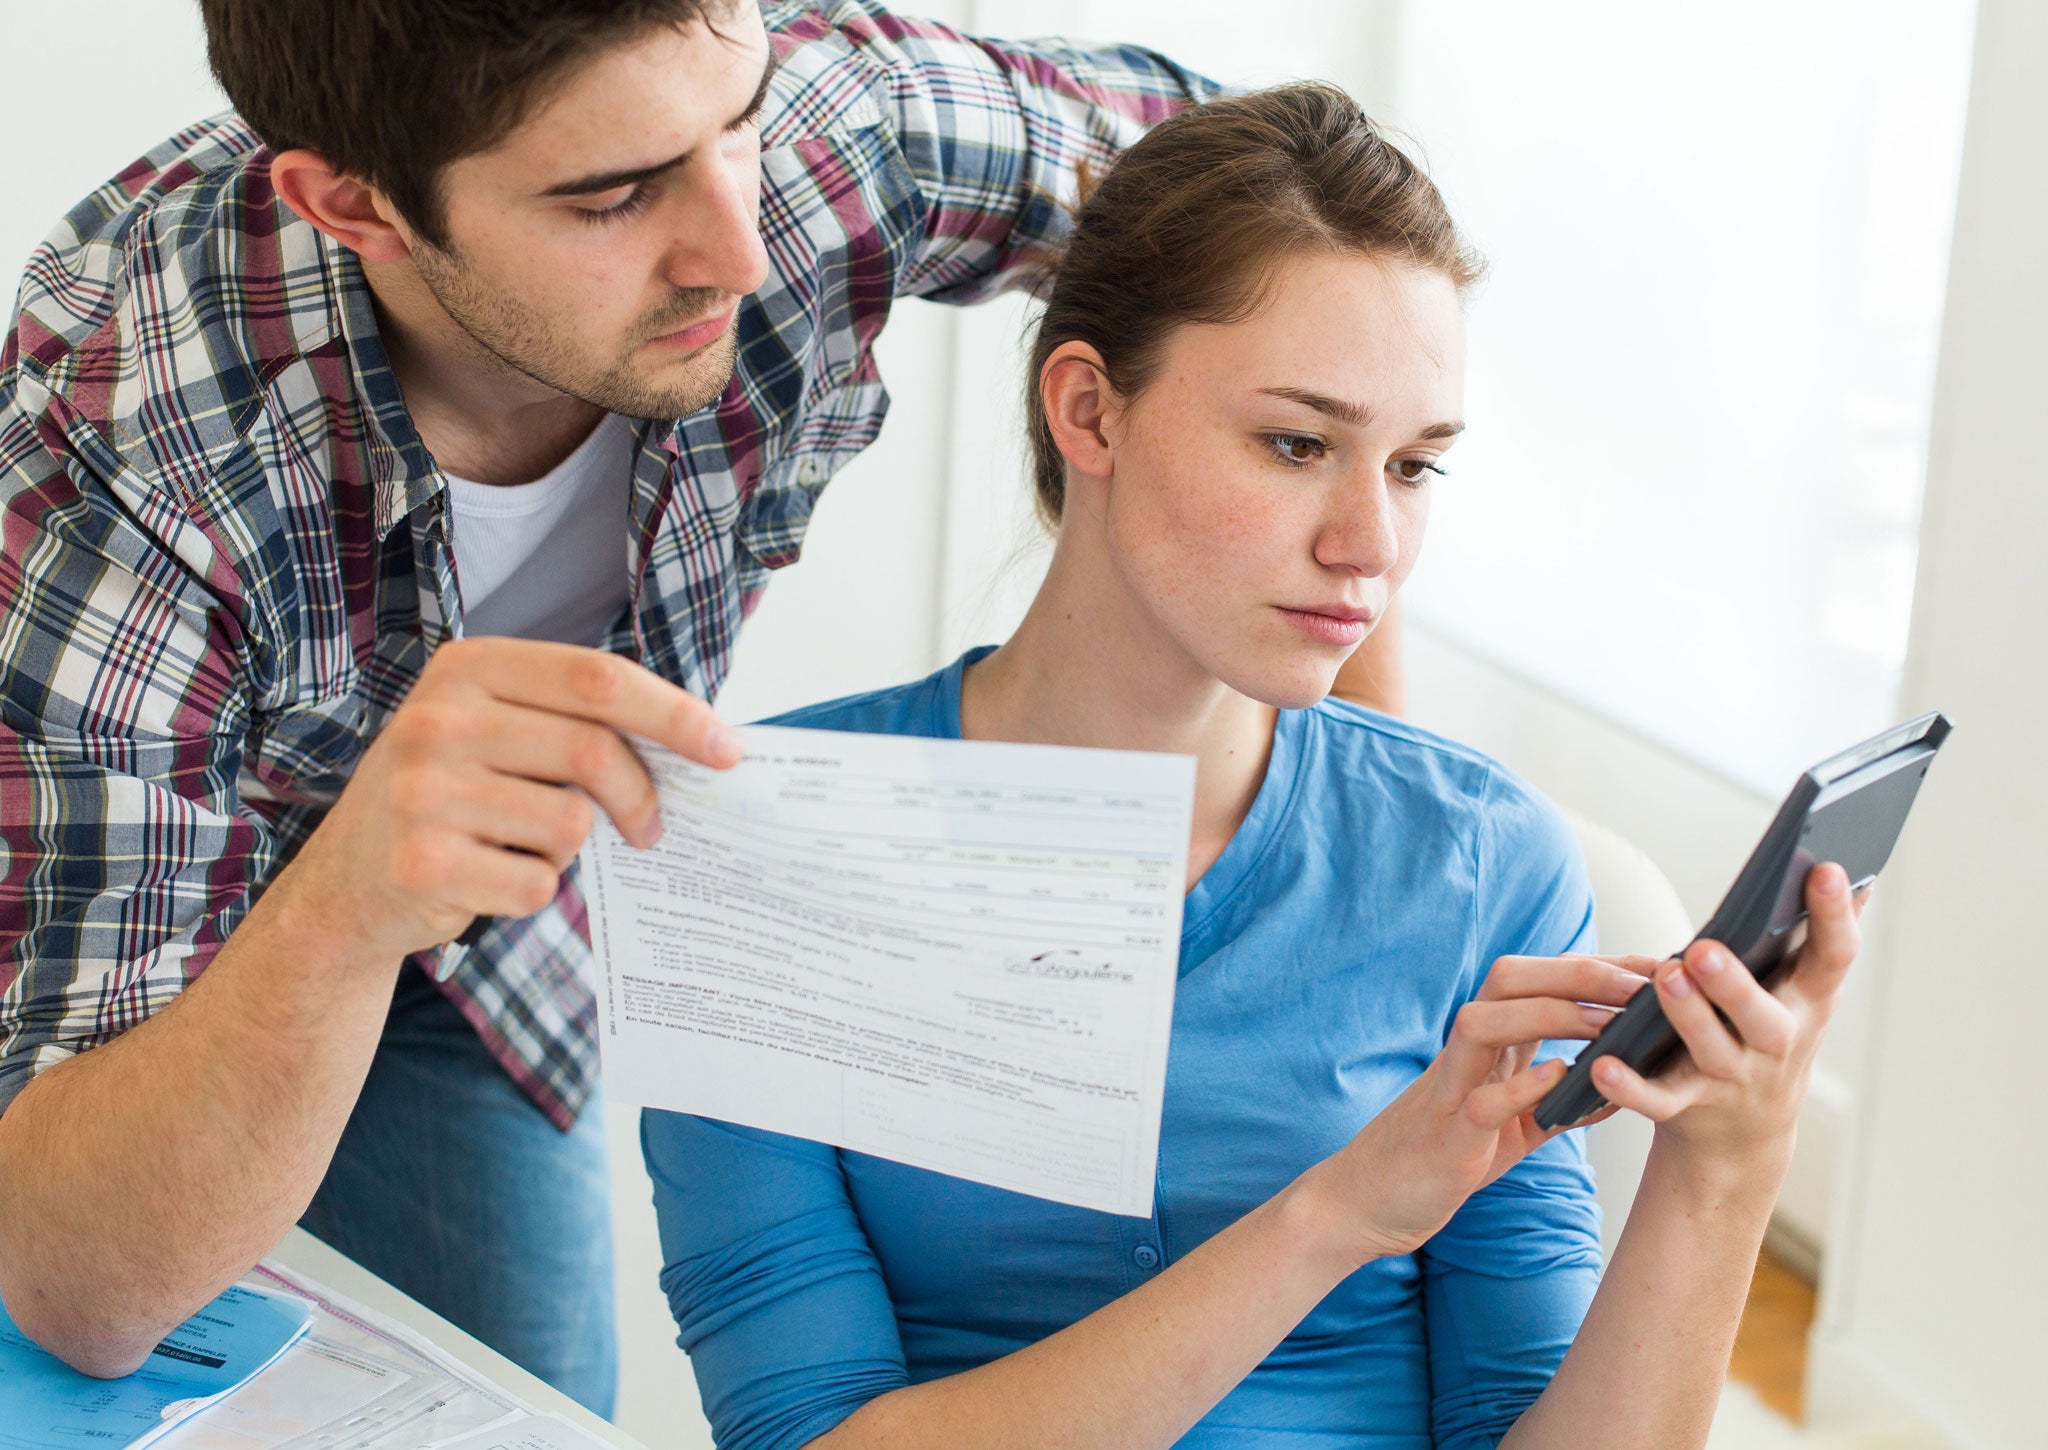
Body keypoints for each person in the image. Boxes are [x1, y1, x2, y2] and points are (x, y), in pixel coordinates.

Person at [0, 0, 1256, 1411]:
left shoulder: (836, 145)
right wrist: (346, 900)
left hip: (493, 950)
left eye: (737, 121)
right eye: (612, 196)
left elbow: (1291, 226)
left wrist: (1338, 737)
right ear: (354, 205)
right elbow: (75, 1280)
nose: (743, 245)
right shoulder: (125, 421)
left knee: (524, 1417)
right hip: (139, 921)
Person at [641, 84, 1865, 1450]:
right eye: (1298, 444)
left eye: (1413, 466)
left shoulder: (1483, 861)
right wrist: (1337, 1211)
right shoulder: (773, 843)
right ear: (1090, 413)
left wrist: (1730, 1167)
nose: (1371, 543)